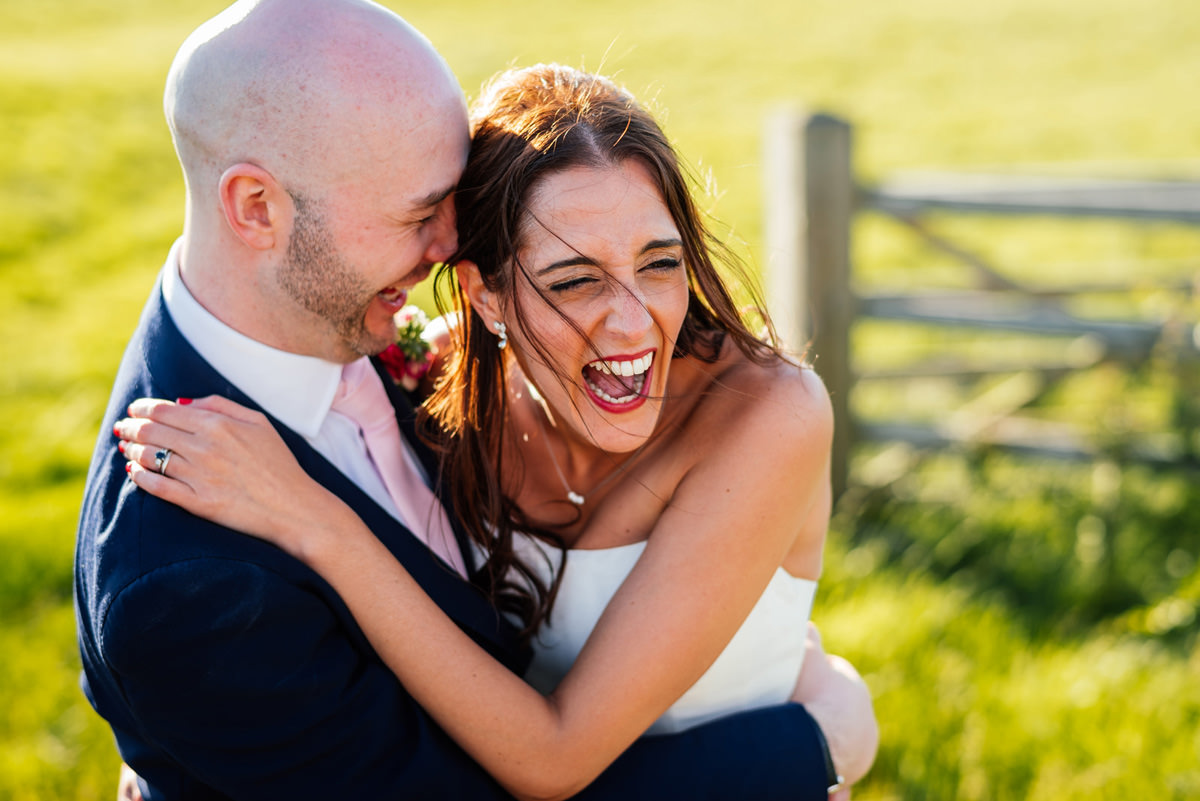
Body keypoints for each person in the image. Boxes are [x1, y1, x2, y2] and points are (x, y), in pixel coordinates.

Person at [77, 1, 869, 799]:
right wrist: (809, 745)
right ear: (256, 208)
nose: (445, 248)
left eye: (660, 262)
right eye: (421, 213)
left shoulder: (396, 344)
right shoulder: (182, 583)